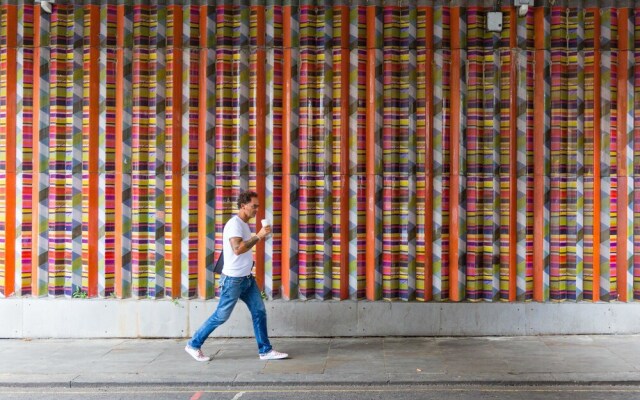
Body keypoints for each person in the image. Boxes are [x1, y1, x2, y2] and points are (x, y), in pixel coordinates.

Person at [185, 191, 288, 362]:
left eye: (258, 206)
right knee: (221, 316)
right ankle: (193, 344)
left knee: (259, 311)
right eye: (254, 206)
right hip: (233, 280)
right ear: (243, 206)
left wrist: (258, 236)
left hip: (246, 279)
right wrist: (259, 235)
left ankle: (265, 350)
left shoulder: (244, 224)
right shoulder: (235, 224)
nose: (256, 210)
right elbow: (238, 249)